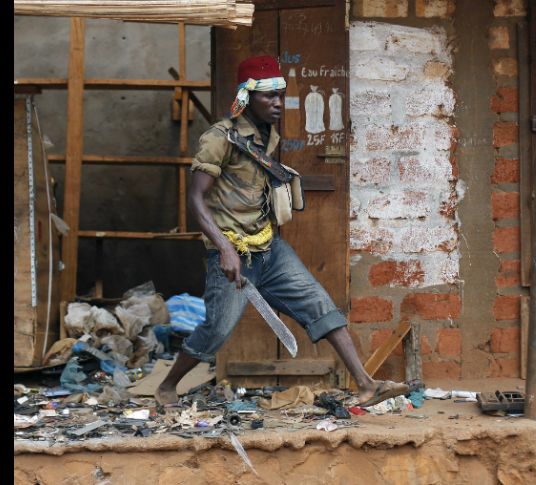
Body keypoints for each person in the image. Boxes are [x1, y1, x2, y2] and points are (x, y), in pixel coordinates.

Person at [155, 55, 408, 407]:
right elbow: (196, 200)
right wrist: (224, 249)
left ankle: (366, 384)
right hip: (233, 254)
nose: (277, 103)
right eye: (268, 96)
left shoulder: (267, 138)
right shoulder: (219, 139)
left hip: (270, 251)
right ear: (246, 97)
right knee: (216, 330)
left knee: (321, 306)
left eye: (279, 94)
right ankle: (167, 385)